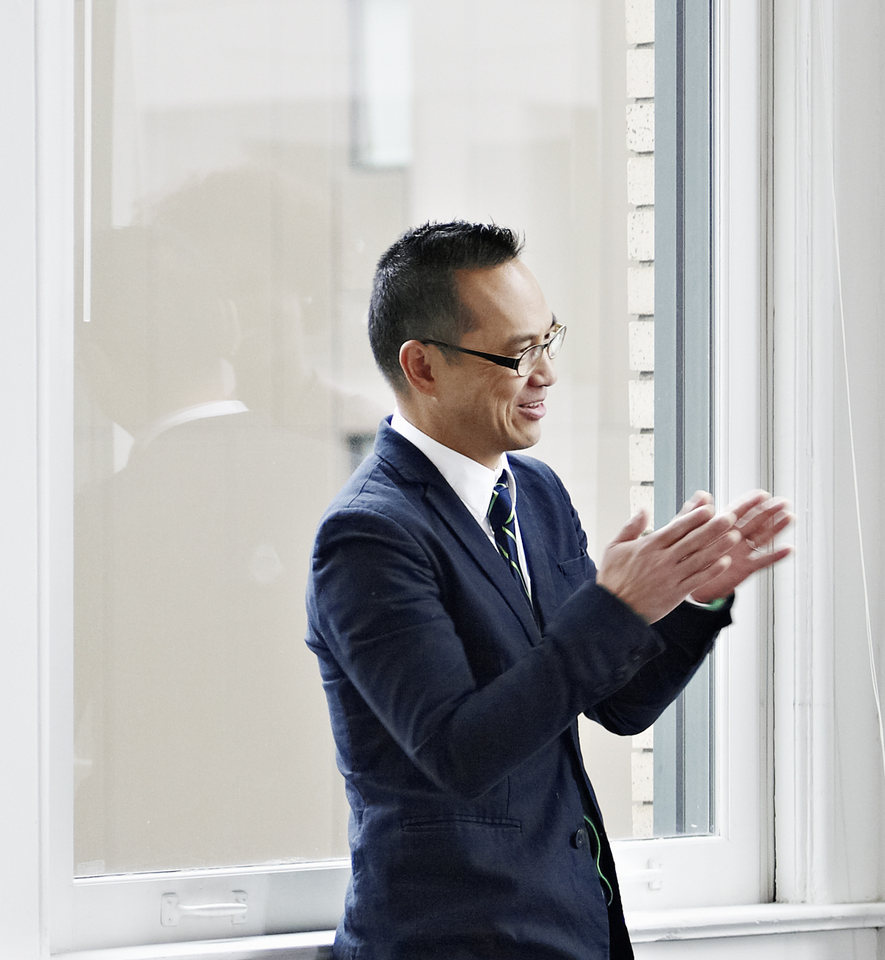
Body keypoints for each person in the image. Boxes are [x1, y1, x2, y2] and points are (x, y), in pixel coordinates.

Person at [306, 221, 793, 959]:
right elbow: (459, 751)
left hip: (570, 932)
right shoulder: (369, 537)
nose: (547, 374)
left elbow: (616, 703)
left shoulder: (533, 493)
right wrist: (616, 608)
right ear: (423, 366)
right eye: (516, 353)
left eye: (548, 339)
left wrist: (695, 600)